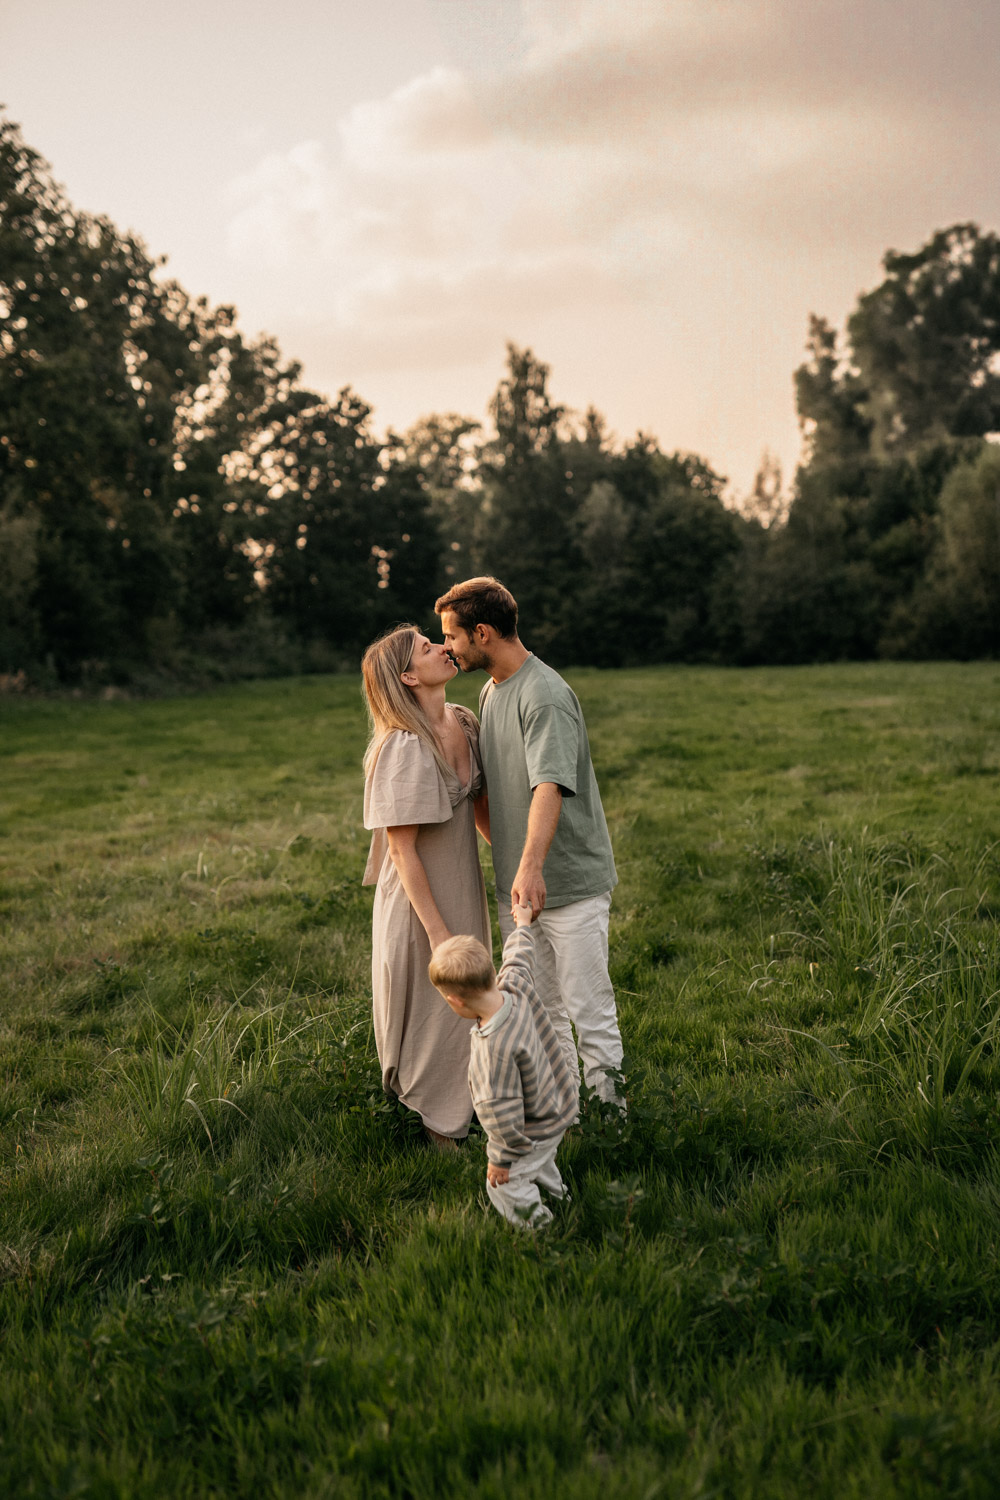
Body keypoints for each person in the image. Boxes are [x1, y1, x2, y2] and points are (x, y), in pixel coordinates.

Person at [435, 576, 625, 1108]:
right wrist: (513, 867)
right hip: (522, 890)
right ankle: (565, 1115)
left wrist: (531, 867)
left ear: (483, 632)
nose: (447, 648)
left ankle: (613, 1121)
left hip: (566, 885)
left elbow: (549, 785)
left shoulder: (544, 695)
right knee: (541, 1014)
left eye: (451, 637)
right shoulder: (492, 691)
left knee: (589, 1009)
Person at [361, 624, 491, 1147]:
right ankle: (441, 1133)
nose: (444, 646)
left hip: (461, 884)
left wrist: (518, 866)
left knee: (469, 1001)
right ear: (409, 676)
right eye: (427, 646)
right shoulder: (402, 747)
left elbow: (481, 810)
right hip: (419, 903)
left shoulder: (464, 722)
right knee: (433, 1011)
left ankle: (473, 1107)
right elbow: (401, 849)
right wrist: (439, 934)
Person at [429, 900, 577, 1228]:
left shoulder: (491, 1050)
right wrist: (523, 923)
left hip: (532, 1127)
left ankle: (542, 1229)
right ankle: (560, 1194)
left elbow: (500, 1113)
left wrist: (500, 1160)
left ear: (454, 1000)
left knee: (505, 1185)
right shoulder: (516, 985)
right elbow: (519, 956)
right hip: (559, 1103)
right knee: (540, 1157)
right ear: (491, 972)